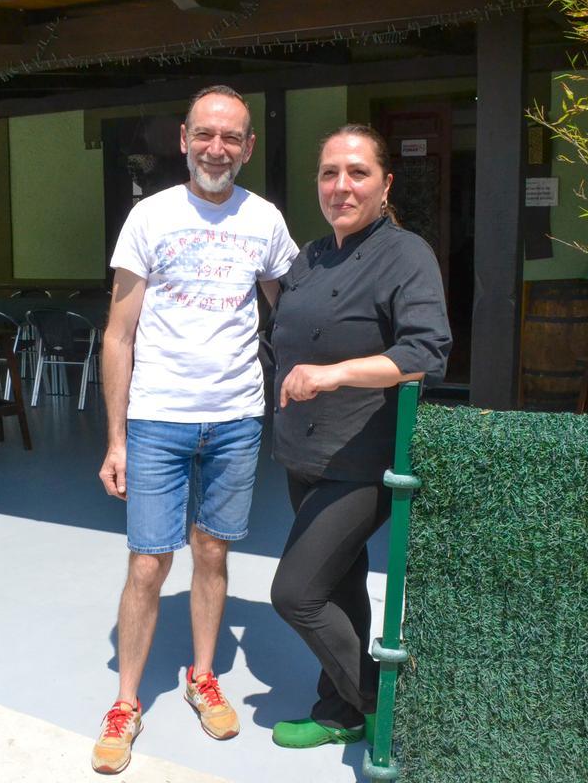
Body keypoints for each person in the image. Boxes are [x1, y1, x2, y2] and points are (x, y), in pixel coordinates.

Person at [93, 85, 299, 775]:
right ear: (184, 138)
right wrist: (116, 439)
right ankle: (125, 703)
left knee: (211, 553)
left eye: (231, 137)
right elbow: (118, 336)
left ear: (247, 147)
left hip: (236, 417)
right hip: (158, 419)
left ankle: (202, 675)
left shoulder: (265, 220)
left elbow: (292, 314)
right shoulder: (149, 218)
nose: (218, 148)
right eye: (206, 134)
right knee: (149, 561)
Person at [268, 124, 451, 748]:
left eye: (357, 173)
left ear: (384, 183)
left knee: (294, 593)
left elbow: (426, 351)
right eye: (328, 174)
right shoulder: (310, 256)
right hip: (303, 453)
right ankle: (337, 712)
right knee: (339, 584)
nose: (341, 186)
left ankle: (378, 702)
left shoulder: (406, 254)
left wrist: (335, 374)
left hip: (363, 456)